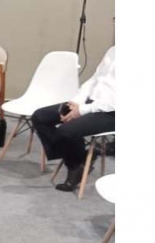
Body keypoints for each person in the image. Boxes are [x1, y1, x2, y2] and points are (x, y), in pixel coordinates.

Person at [31, 45, 116, 192]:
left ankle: (75, 167)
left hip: (111, 112)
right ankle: (78, 161)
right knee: (40, 117)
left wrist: (82, 110)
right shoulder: (113, 50)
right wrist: (77, 100)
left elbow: (114, 102)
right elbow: (95, 79)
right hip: (90, 102)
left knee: (66, 131)